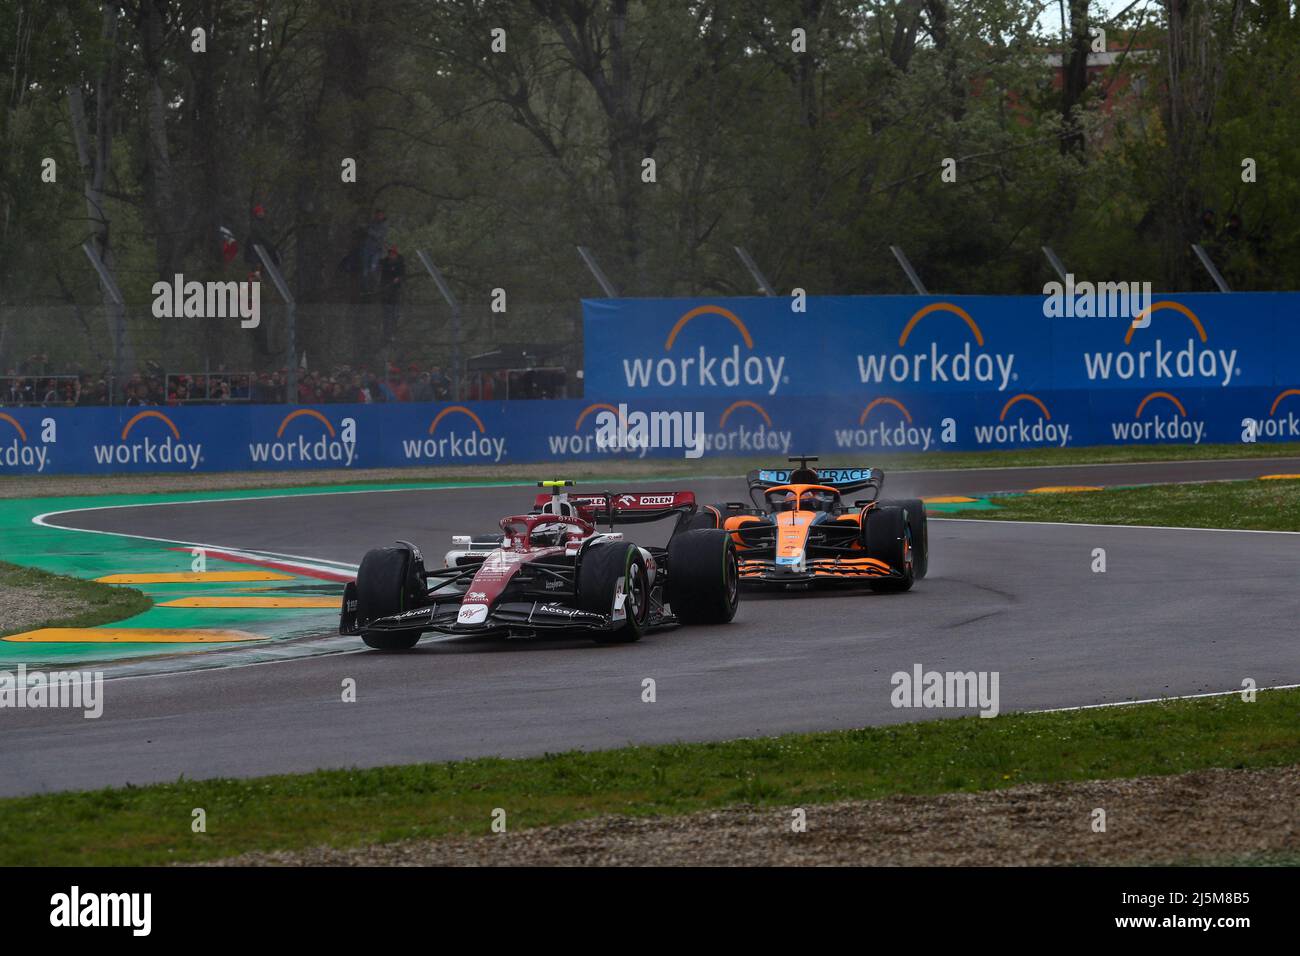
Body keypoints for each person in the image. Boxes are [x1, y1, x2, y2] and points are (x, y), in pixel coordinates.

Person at [379, 245, 405, 342]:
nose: (391, 255)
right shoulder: (384, 262)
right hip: (385, 291)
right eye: (390, 253)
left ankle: (393, 334)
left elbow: (401, 275)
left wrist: (396, 280)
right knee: (386, 314)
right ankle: (385, 334)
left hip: (395, 292)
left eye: (393, 253)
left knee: (394, 314)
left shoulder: (400, 263)